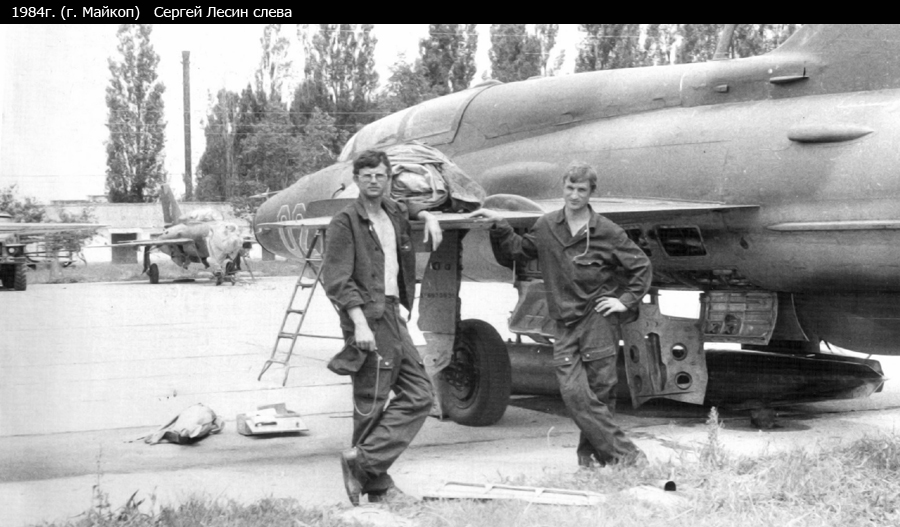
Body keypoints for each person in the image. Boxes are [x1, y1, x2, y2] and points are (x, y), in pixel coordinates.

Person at [469, 162, 652, 468]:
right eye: (570, 188)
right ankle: (628, 456)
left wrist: (624, 301)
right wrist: (500, 224)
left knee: (600, 391)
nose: (574, 195)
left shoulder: (607, 231)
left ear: (591, 192)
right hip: (565, 322)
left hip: (597, 319)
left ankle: (590, 459)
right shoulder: (546, 226)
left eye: (581, 189)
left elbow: (640, 266)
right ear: (563, 188)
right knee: (573, 392)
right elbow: (518, 249)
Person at [322, 149, 441, 506]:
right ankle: (376, 485)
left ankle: (363, 464)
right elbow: (337, 280)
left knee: (420, 394)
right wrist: (359, 325)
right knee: (371, 401)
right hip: (367, 318)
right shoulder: (345, 222)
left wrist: (428, 215)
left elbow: (409, 207)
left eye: (380, 175)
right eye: (367, 175)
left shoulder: (394, 211)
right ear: (356, 180)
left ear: (388, 179)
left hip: (393, 312)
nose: (374, 181)